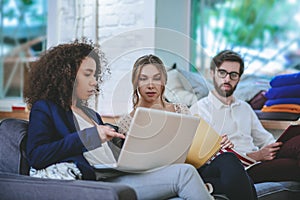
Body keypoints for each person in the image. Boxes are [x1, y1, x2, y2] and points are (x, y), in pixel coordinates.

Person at [24, 39, 214, 200]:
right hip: (99, 183)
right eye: (87, 74)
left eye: (95, 75)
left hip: (118, 173)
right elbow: (37, 155)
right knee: (185, 174)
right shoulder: (46, 108)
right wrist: (89, 136)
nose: (95, 81)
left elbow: (110, 155)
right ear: (67, 75)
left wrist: (131, 143)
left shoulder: (91, 114)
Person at [117, 54, 257, 200]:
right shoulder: (127, 122)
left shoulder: (180, 109)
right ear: (135, 82)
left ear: (164, 81)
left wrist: (216, 144)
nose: (151, 85)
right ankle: (210, 185)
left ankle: (209, 185)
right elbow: (130, 165)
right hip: (165, 175)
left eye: (156, 78)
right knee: (235, 179)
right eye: (143, 78)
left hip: (195, 166)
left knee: (228, 159)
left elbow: (195, 144)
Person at [190, 49, 300, 183]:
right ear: (212, 73)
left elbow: (264, 139)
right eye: (222, 73)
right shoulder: (200, 109)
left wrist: (274, 148)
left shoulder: (244, 107)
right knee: (293, 166)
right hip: (240, 169)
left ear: (239, 78)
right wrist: (258, 156)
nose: (227, 79)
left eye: (233, 75)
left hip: (259, 163)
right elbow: (210, 156)